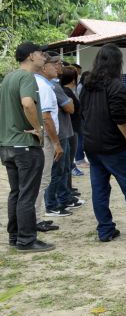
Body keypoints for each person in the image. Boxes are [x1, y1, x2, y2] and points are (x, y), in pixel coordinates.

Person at [81, 45, 126, 242]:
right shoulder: (116, 85)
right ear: (118, 62)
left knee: (99, 189)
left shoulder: (87, 84)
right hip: (115, 147)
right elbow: (121, 119)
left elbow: (82, 113)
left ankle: (105, 230)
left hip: (92, 146)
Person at [0, 42, 53, 252]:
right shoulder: (26, 77)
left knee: (16, 192)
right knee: (27, 194)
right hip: (25, 145)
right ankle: (26, 240)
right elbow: (28, 103)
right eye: (41, 54)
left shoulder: (8, 78)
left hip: (7, 144)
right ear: (31, 56)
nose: (44, 58)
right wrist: (39, 128)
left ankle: (15, 236)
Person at [45, 56, 82, 217]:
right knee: (56, 171)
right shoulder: (52, 87)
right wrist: (68, 102)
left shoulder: (56, 86)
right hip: (57, 134)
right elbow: (70, 107)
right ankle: (52, 204)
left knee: (65, 168)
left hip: (65, 132)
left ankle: (64, 198)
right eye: (57, 63)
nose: (60, 65)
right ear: (46, 66)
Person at [35, 54, 66, 227]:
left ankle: (34, 217)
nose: (57, 67)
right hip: (46, 138)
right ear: (44, 67)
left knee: (40, 179)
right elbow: (46, 118)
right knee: (43, 179)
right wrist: (56, 143)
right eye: (54, 64)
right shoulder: (45, 87)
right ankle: (36, 219)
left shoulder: (42, 84)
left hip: (43, 137)